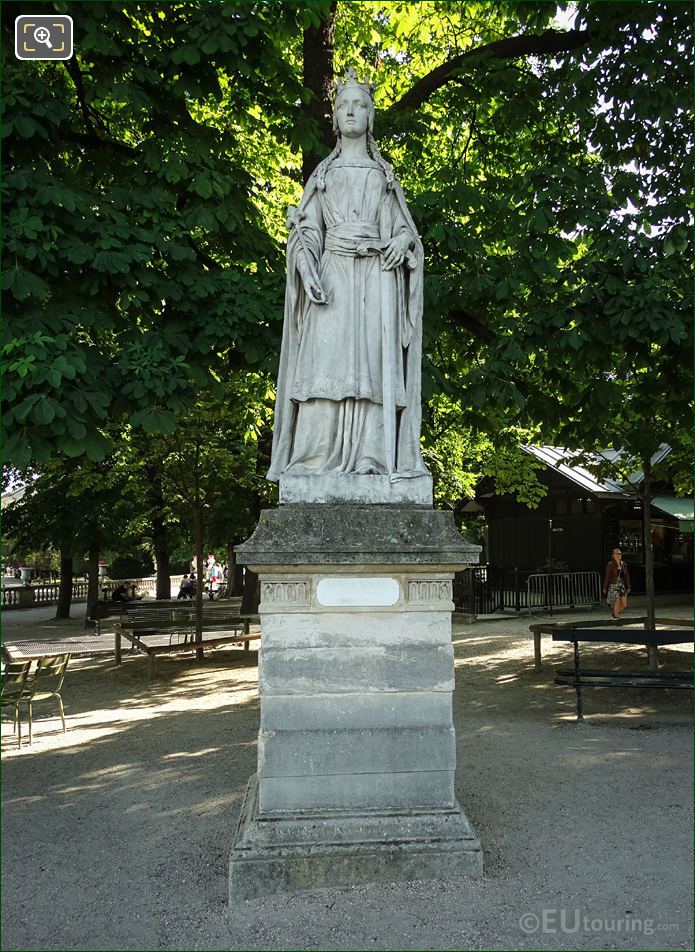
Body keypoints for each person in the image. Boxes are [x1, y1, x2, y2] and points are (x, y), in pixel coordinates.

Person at [267, 68, 427, 481]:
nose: (351, 111)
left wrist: (402, 243)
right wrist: (305, 266)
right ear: (335, 117)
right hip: (332, 276)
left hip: (377, 279)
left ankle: (370, 457)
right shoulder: (322, 176)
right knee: (325, 361)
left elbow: (404, 230)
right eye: (344, 105)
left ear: (371, 117)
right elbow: (307, 232)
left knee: (373, 366)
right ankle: (314, 459)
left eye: (360, 105)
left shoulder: (383, 177)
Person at [603, 548, 631, 620]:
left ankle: (615, 614)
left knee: (624, 604)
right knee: (617, 601)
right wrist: (604, 587)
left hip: (622, 585)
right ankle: (616, 618)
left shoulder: (623, 564)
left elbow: (627, 576)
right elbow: (607, 577)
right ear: (613, 555)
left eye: (620, 554)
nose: (619, 555)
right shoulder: (610, 564)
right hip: (614, 585)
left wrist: (628, 586)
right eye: (617, 554)